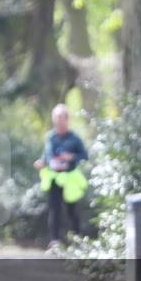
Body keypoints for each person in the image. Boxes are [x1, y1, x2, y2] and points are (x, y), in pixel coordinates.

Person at [33, 104, 89, 249]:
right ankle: (55, 240)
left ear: (67, 119)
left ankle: (77, 240)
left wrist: (72, 156)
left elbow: (84, 156)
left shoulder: (74, 138)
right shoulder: (50, 137)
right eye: (55, 117)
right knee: (54, 209)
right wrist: (41, 162)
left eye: (60, 117)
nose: (58, 120)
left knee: (72, 210)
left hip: (70, 178)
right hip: (54, 177)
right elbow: (46, 155)